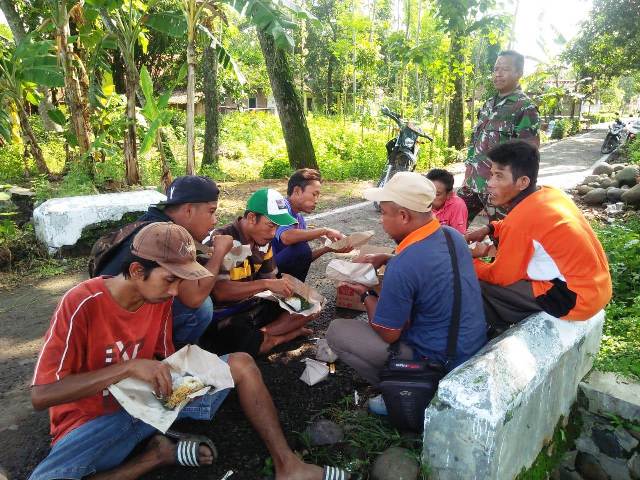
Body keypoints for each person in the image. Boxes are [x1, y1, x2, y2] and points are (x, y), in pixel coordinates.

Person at [30, 222, 347, 480]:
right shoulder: (82, 303)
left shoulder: (158, 298)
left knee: (241, 363)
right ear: (137, 271)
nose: (174, 292)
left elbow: (164, 358)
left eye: (179, 281)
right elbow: (41, 395)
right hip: (92, 419)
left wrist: (188, 370)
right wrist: (127, 368)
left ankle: (288, 466)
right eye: (170, 280)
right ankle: (155, 456)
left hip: (147, 405)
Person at [326, 172, 487, 395]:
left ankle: (402, 390)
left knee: (337, 331)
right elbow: (429, 266)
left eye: (383, 213)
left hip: (438, 365)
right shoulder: (453, 236)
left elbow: (388, 334)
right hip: (471, 350)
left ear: (403, 216)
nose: (381, 220)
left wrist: (365, 294)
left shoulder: (404, 265)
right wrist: (387, 258)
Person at [465, 141, 612, 337]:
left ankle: (489, 332)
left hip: (576, 299)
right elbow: (526, 228)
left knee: (475, 284)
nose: (490, 183)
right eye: (491, 174)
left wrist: (468, 261)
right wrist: (490, 228)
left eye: (499, 176)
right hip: (598, 287)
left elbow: (499, 276)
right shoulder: (549, 193)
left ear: (523, 182)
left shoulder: (520, 222)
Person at [96, 175, 233, 349]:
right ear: (188, 210)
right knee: (202, 308)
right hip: (112, 323)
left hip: (112, 309)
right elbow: (194, 298)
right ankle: (173, 354)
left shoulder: (151, 221)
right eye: (211, 212)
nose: (215, 221)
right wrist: (219, 253)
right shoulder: (167, 235)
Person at [199, 188, 318, 357]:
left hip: (254, 306)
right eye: (271, 225)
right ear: (252, 218)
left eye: (277, 227)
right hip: (225, 316)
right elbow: (221, 292)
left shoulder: (263, 241)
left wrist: (286, 291)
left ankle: (263, 337)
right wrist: (266, 284)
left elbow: (271, 280)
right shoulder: (222, 240)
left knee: (311, 306)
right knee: (239, 336)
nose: (273, 233)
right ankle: (279, 337)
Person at [459, 50, 540, 223]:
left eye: (505, 69)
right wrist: (467, 174)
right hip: (473, 185)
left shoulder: (525, 107)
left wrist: (518, 192)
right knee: (453, 227)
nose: (498, 73)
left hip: (501, 190)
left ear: (519, 73)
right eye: (496, 69)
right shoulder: (488, 104)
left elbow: (528, 157)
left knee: (500, 233)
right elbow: (476, 143)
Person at [271, 169, 352, 281]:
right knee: (301, 248)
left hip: (275, 267)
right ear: (297, 191)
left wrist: (327, 249)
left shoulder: (299, 219)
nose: (316, 200)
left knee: (303, 250)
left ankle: (291, 289)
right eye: (314, 194)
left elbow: (302, 258)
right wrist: (324, 231)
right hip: (261, 270)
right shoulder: (280, 205)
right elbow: (286, 237)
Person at [425, 168, 468, 234]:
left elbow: (457, 236)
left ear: (449, 194)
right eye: (428, 192)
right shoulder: (419, 201)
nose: (430, 197)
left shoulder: (457, 205)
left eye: (436, 194)